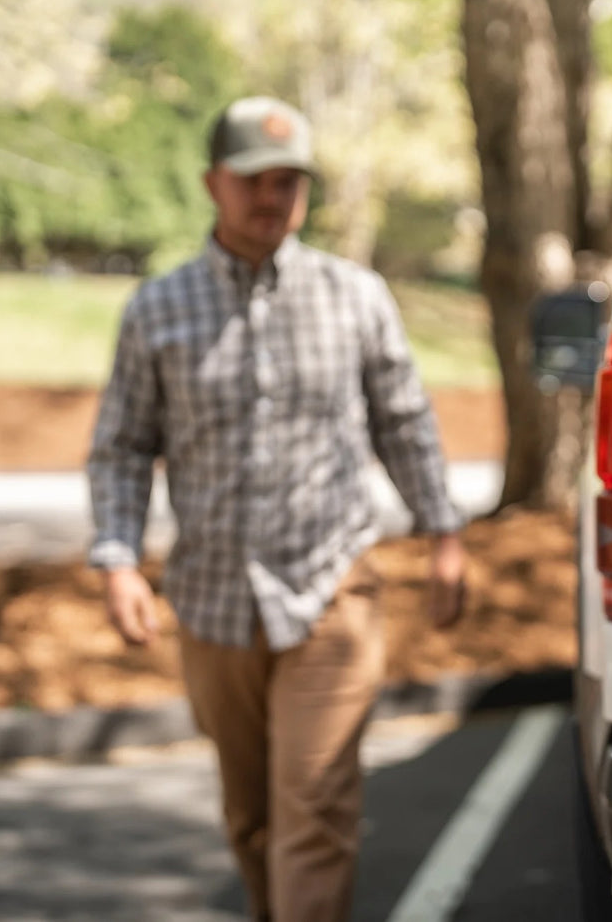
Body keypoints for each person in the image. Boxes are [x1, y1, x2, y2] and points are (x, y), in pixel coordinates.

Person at [86, 95, 467, 922]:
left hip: (332, 592)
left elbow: (403, 420)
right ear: (212, 183)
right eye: (256, 180)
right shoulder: (157, 309)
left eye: (291, 180)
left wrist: (443, 532)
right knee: (253, 815)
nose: (275, 197)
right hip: (214, 602)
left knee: (315, 809)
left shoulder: (355, 296)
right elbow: (121, 447)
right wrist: (117, 558)